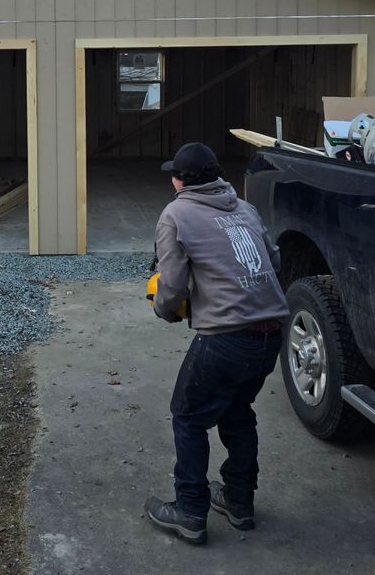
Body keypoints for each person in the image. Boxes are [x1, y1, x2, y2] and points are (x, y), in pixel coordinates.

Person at [144, 141, 289, 546]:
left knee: (188, 416)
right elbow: (273, 262)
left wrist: (163, 308)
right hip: (270, 334)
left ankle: (190, 510)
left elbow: (170, 287)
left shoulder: (176, 213)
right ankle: (239, 502)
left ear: (180, 181)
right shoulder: (244, 208)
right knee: (237, 410)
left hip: (226, 337)